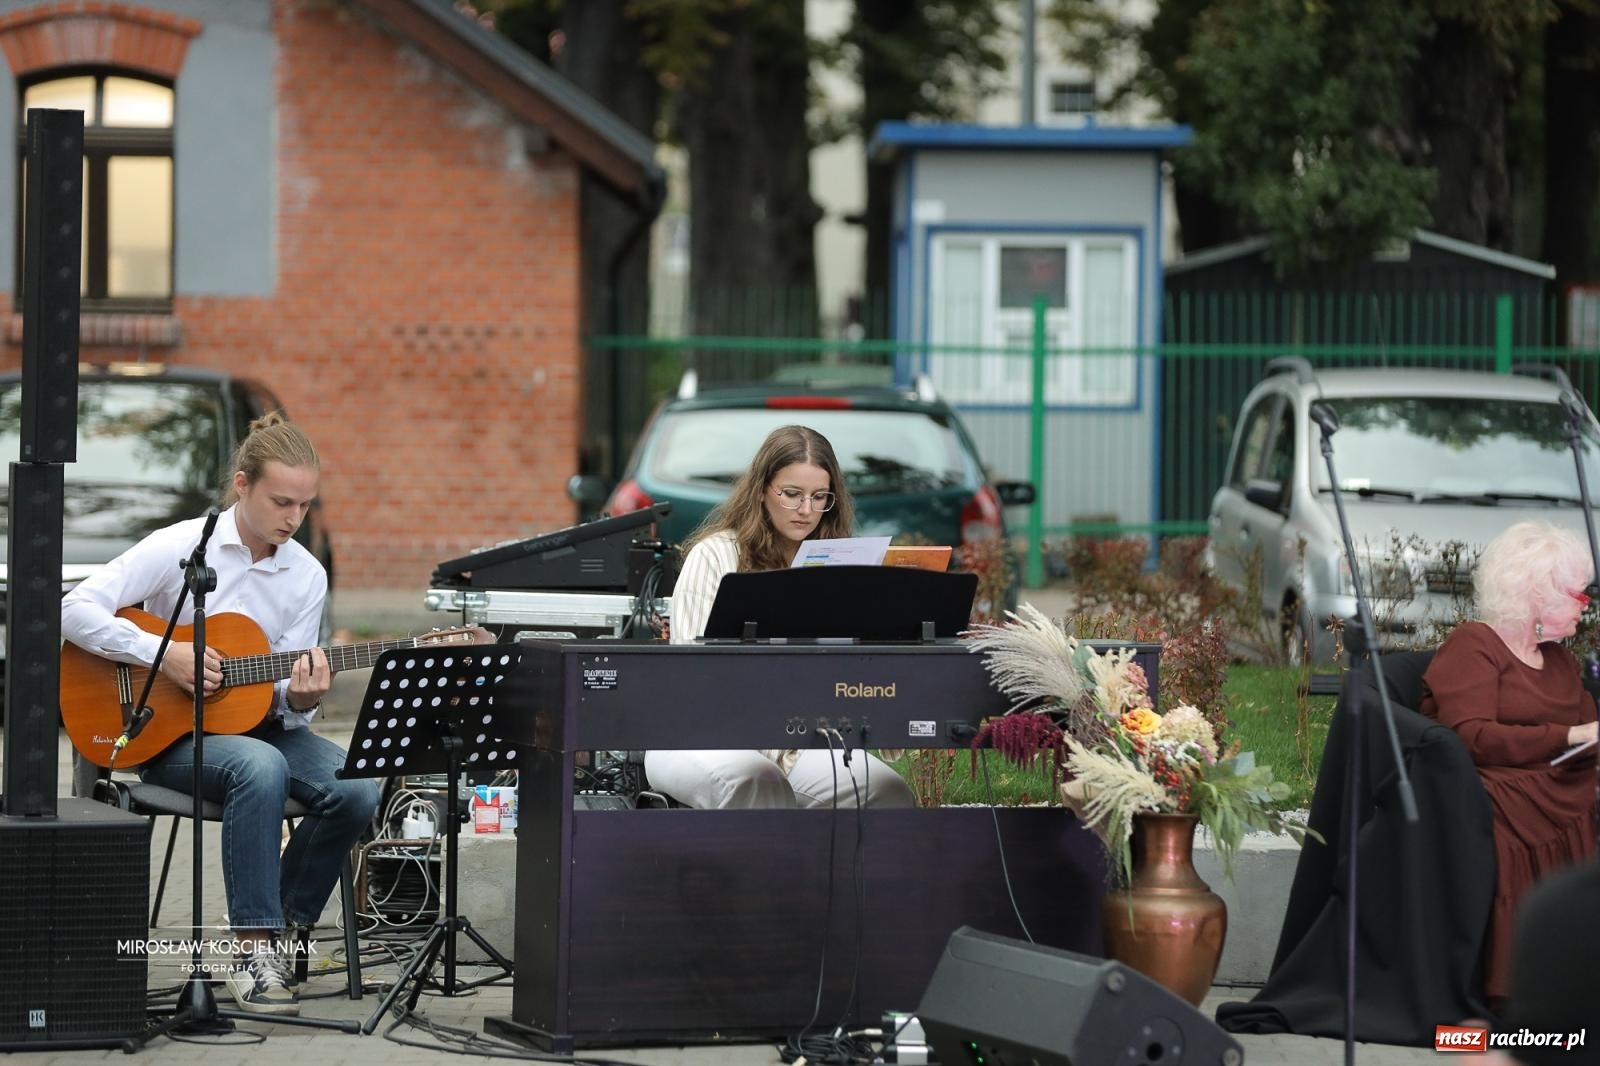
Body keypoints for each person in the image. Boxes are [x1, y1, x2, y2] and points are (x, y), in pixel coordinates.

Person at [61, 413, 380, 1016]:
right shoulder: (180, 546)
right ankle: (252, 946)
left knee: (360, 785)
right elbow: (73, 609)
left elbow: (281, 699)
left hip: (256, 730)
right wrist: (164, 653)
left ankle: (277, 933)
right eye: (281, 501)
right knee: (259, 768)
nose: (293, 518)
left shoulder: (306, 574)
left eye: (305, 506)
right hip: (161, 734)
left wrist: (303, 698)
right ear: (242, 484)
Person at [646, 424, 916, 810]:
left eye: (820, 497)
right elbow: (695, 680)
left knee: (887, 792)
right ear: (761, 491)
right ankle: (767, 872)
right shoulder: (715, 556)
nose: (807, 510)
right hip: (697, 735)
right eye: (792, 495)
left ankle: (844, 874)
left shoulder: (838, 563)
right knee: (757, 779)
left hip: (798, 744)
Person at [1419, 520, 1598, 1010]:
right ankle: (1512, 988)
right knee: (1518, 814)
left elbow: (1590, 731)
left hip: (1561, 784)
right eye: (1578, 597)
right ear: (1536, 593)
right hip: (1487, 785)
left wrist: (1585, 740)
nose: (1586, 608)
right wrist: (1567, 736)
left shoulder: (1560, 660)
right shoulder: (1474, 645)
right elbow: (1470, 736)